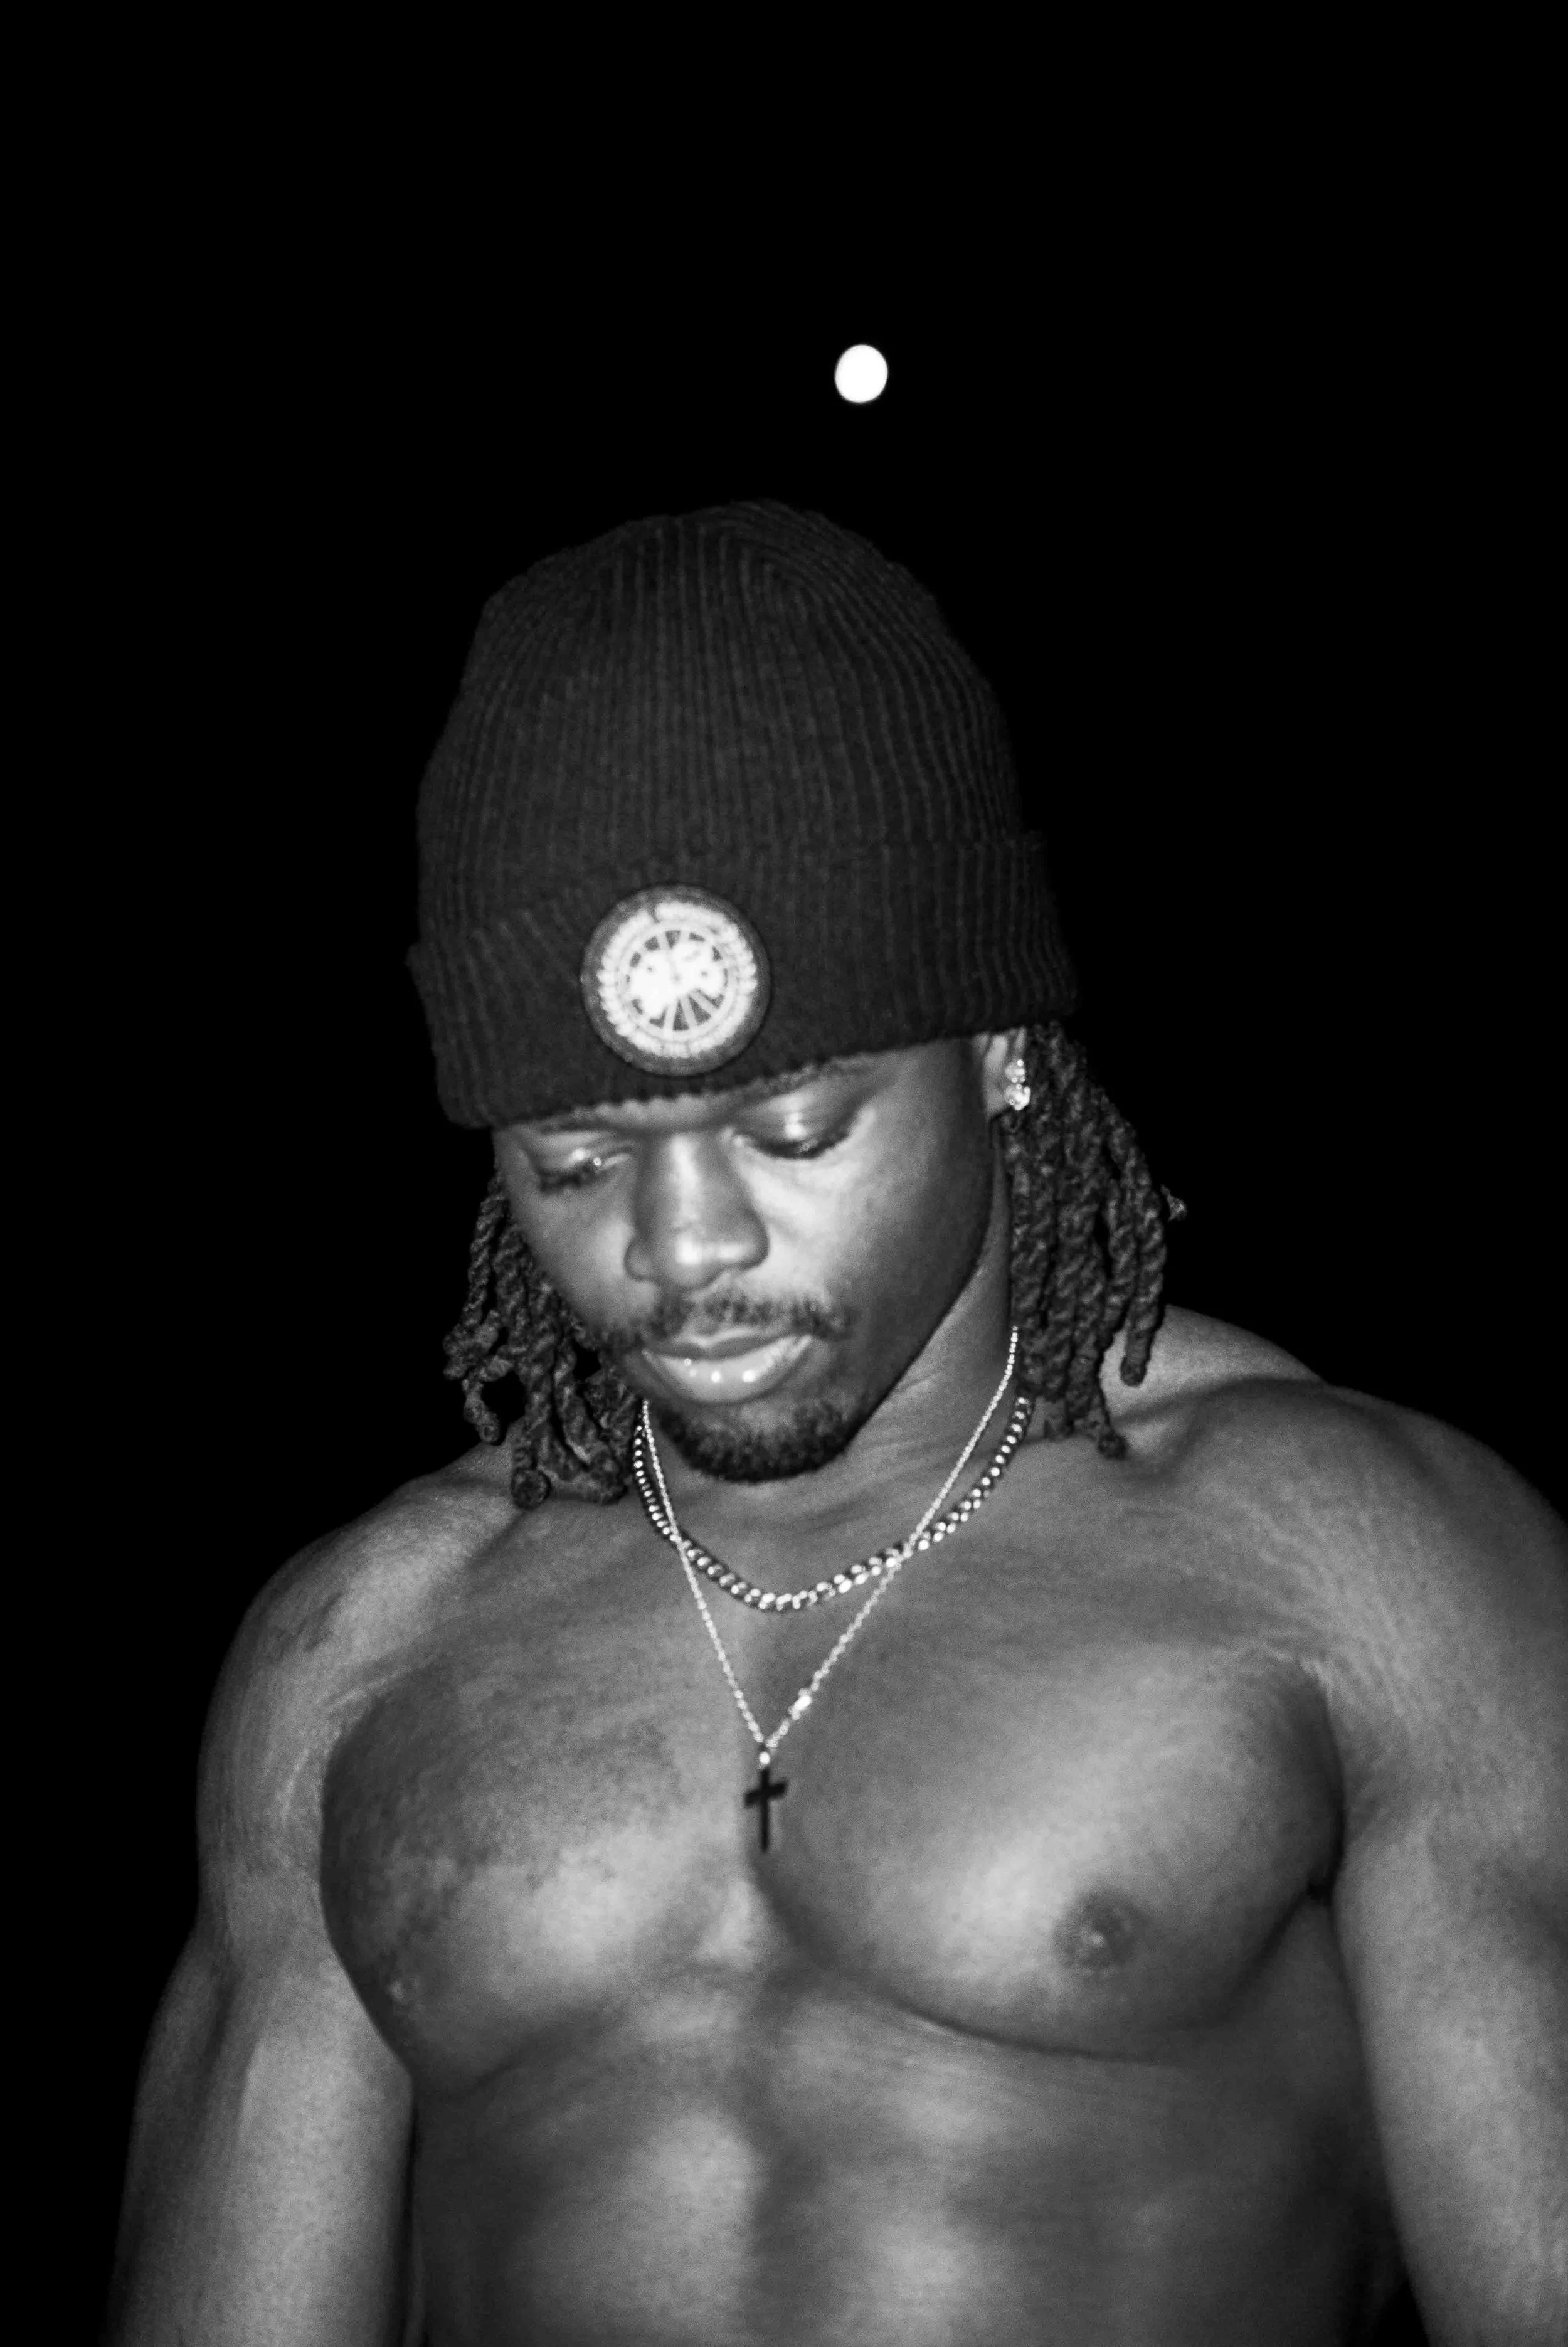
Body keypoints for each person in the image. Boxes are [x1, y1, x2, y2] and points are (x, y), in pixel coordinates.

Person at [107, 504, 1566, 2347]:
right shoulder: (361, 1647)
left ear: (1000, 1048)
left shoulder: (1365, 1564)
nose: (682, 1247)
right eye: (577, 1161)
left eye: (794, 1131)